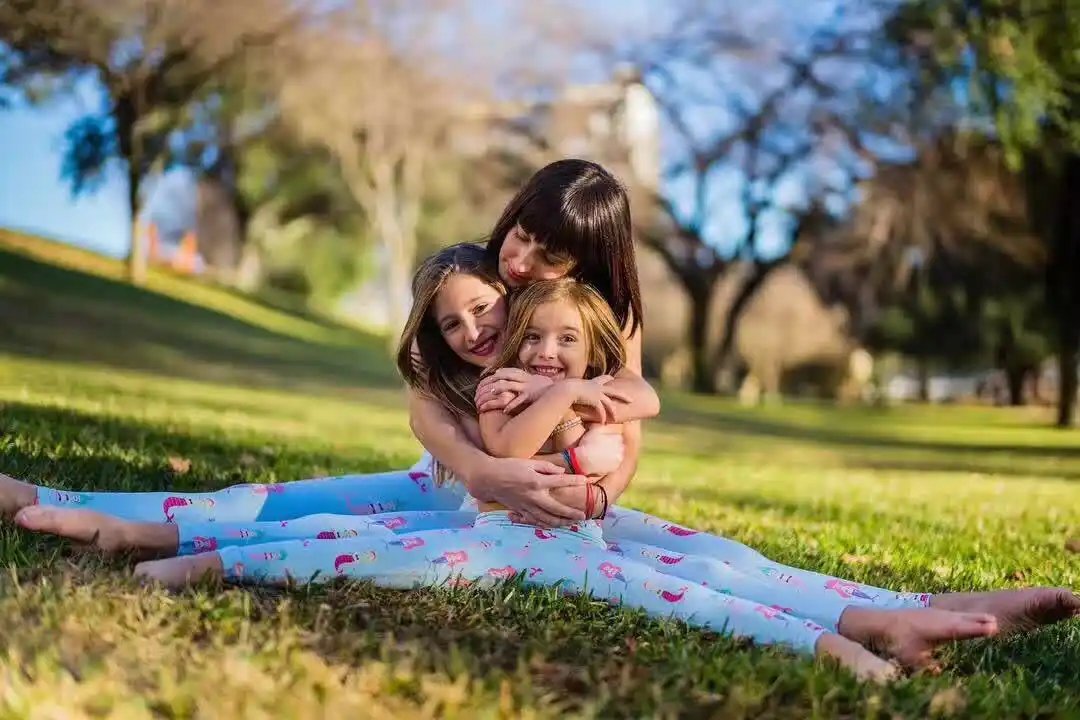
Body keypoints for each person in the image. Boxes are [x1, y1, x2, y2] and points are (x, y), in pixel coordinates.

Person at [4, 162, 1076, 640]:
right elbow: (427, 399)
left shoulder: (596, 322)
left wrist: (601, 476)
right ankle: (71, 504)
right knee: (291, 503)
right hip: (461, 487)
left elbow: (629, 435)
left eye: (545, 251)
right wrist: (478, 467)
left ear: (590, 266)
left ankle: (910, 613)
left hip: (552, 509)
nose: (518, 258)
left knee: (715, 559)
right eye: (520, 231)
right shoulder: (477, 282)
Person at [134, 275, 1006, 682]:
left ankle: (887, 621)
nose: (545, 350)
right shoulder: (509, 387)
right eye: (536, 338)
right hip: (500, 541)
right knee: (349, 544)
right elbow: (506, 452)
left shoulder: (579, 386)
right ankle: (196, 555)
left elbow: (627, 430)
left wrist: (595, 401)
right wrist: (569, 389)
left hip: (580, 543)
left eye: (567, 344)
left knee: (712, 573)